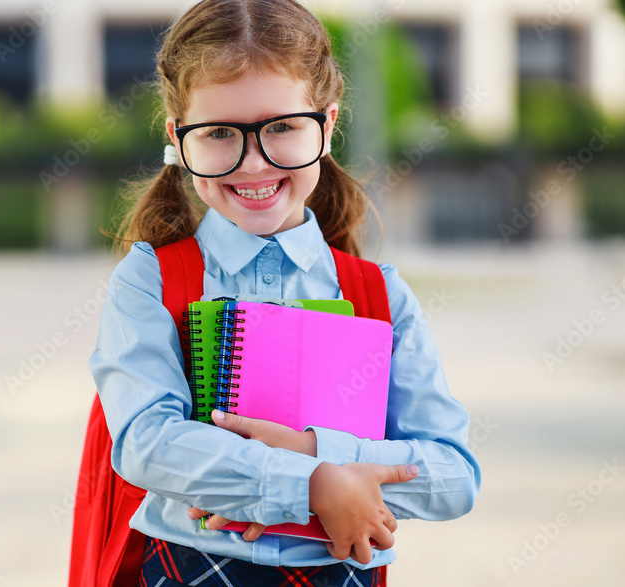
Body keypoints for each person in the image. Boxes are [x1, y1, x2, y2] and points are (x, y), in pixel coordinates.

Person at [88, 0, 481, 583]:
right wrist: (316, 485)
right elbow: (148, 444)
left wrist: (314, 454)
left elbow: (454, 477)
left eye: (281, 127)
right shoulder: (151, 281)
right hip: (189, 567)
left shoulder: (381, 296)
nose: (253, 163)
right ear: (178, 136)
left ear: (327, 123)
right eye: (219, 133)